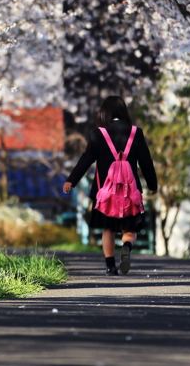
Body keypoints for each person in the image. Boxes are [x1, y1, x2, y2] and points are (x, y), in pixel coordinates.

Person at [63, 95, 157, 276]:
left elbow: (86, 159)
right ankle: (127, 247)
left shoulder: (99, 133)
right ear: (123, 112)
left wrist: (71, 180)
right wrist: (152, 183)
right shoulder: (136, 133)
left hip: (105, 192)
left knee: (108, 229)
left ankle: (110, 266)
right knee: (129, 228)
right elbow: (146, 161)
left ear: (104, 112)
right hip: (130, 191)